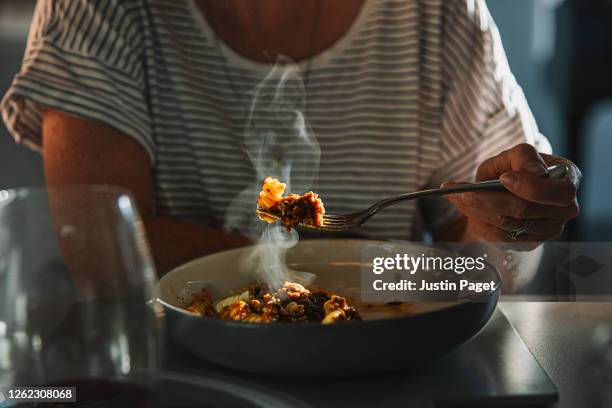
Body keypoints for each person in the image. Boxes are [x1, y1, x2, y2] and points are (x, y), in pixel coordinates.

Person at [1, 0, 580, 274]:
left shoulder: (438, 14)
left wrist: (502, 221)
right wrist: (345, 268)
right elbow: (102, 247)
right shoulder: (102, 11)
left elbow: (477, 264)